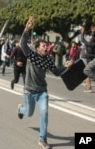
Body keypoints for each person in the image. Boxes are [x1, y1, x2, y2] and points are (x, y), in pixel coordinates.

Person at [18, 16, 73, 149]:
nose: (46, 47)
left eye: (46, 46)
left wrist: (65, 66)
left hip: (42, 91)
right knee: (29, 113)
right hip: (29, 90)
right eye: (44, 46)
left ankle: (42, 139)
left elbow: (56, 72)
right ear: (37, 48)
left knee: (44, 112)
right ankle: (21, 109)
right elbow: (23, 44)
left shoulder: (48, 59)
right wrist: (27, 29)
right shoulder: (31, 55)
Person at [80, 24, 95, 92]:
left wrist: (82, 33)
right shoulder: (92, 40)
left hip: (88, 57)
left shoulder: (92, 42)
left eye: (93, 28)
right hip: (88, 57)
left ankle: (89, 87)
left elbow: (83, 40)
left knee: (87, 71)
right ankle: (88, 85)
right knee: (87, 71)